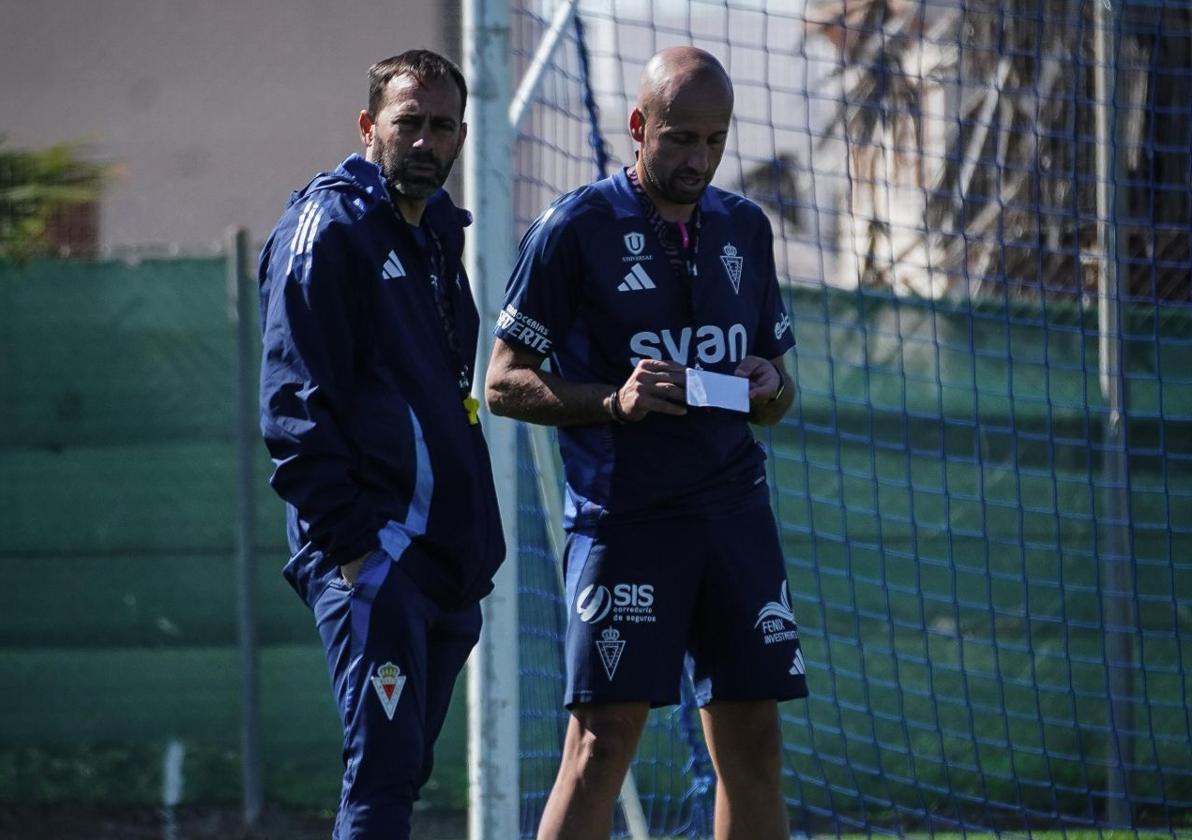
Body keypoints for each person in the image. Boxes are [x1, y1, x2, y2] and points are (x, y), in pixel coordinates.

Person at [486, 46, 806, 840]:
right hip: (626, 522)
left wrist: (770, 384)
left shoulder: (744, 227)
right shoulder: (572, 229)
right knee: (599, 748)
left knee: (756, 749)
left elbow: (779, 396)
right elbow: (500, 383)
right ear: (638, 126)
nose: (699, 158)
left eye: (714, 140)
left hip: (735, 516)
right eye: (680, 138)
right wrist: (613, 399)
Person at [258, 50, 504, 840]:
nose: (425, 141)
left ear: (462, 135)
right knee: (382, 781)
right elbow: (293, 411)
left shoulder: (435, 236)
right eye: (408, 123)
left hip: (443, 566)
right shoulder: (326, 230)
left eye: (441, 126)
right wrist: (361, 556)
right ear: (369, 127)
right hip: (376, 561)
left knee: (400, 779)